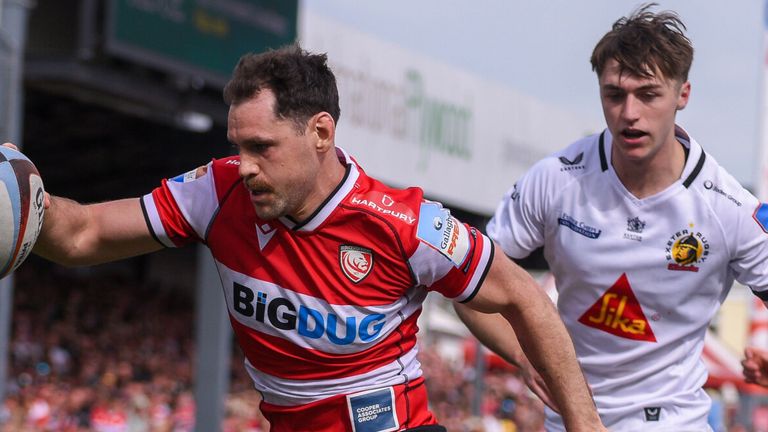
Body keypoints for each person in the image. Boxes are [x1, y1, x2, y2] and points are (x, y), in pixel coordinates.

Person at [11, 45, 606, 431]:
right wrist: (19, 199)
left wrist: (584, 425)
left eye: (261, 147)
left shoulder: (404, 223)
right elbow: (81, 233)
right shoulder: (216, 193)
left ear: (321, 132)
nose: (242, 165)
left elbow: (523, 296)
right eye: (236, 146)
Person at [454, 4, 768, 431]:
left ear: (683, 95)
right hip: (567, 420)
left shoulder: (729, 207)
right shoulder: (555, 179)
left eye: (649, 94)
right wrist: (524, 355)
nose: (629, 112)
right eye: (615, 94)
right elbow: (468, 284)